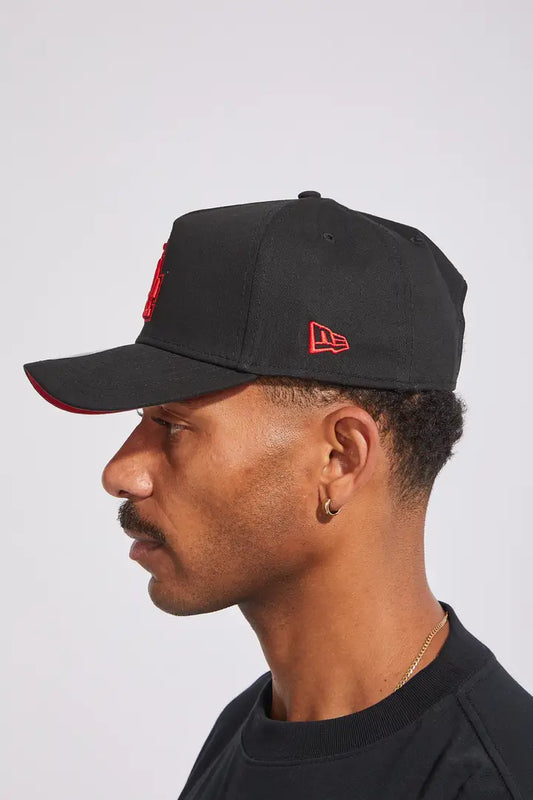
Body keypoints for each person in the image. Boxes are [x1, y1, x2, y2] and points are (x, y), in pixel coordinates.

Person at [23, 190, 533, 799]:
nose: (121, 472)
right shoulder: (245, 732)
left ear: (340, 458)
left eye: (173, 425)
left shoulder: (488, 781)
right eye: (142, 419)